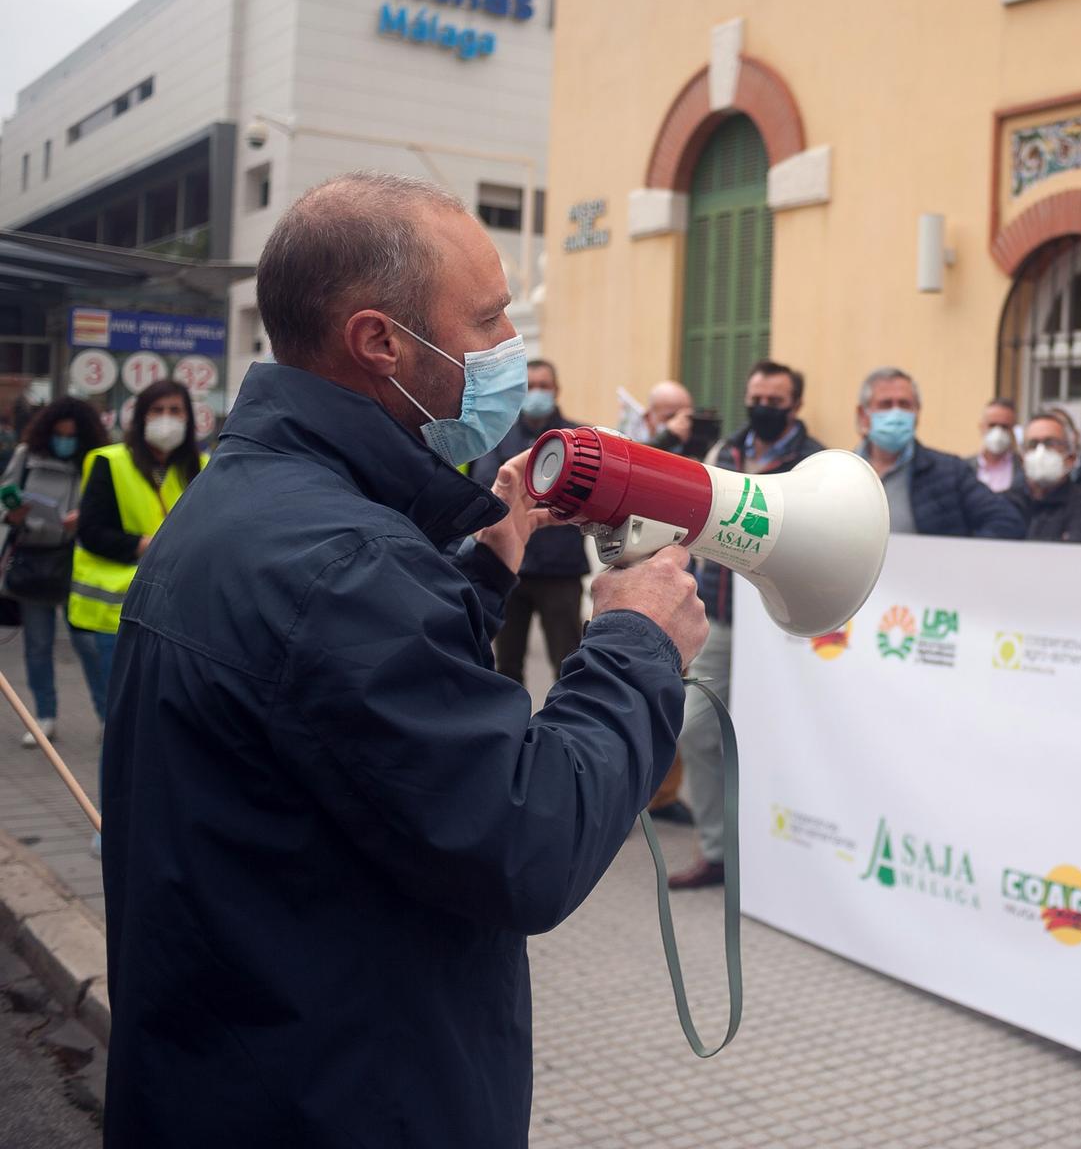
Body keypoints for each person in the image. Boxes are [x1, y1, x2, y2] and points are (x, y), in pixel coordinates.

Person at [99, 173, 707, 1145]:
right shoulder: (343, 563)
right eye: (489, 320)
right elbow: (526, 839)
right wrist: (636, 643)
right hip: (342, 1101)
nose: (510, 350)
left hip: (230, 1071)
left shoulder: (252, 502)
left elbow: (345, 717)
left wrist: (485, 562)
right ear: (381, 341)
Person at [671, 359, 823, 890]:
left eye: (774, 401)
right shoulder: (725, 453)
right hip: (724, 619)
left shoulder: (815, 464)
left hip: (781, 627)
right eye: (755, 397)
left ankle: (784, 854)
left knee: (780, 739)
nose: (761, 408)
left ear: (795, 405)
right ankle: (717, 850)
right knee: (694, 729)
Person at [69, 378, 207, 717]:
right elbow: (91, 532)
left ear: (189, 419)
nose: (166, 418)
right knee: (120, 721)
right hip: (111, 616)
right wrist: (145, 545)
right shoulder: (110, 461)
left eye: (175, 410)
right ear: (141, 416)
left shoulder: (203, 467)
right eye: (157, 410)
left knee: (158, 724)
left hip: (176, 617)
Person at [468, 359, 591, 683]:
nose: (537, 392)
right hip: (510, 570)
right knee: (505, 668)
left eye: (544, 386)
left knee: (568, 665)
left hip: (560, 570)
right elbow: (485, 484)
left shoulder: (582, 439)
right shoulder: (495, 437)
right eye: (531, 386)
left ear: (557, 390)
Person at [2, 397, 109, 744]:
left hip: (78, 562)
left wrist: (85, 519)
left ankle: (107, 714)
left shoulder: (96, 462)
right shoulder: (26, 458)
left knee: (88, 643)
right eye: (59, 434)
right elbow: (6, 497)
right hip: (35, 558)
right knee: (37, 644)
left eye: (72, 435)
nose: (65, 441)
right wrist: (13, 514)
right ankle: (44, 716)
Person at [856, 367, 1025, 538]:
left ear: (917, 413)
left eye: (905, 405)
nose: (896, 413)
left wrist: (960, 557)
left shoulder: (950, 472)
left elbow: (1007, 521)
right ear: (863, 414)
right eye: (886, 404)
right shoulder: (840, 471)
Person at [1007, 411, 1081, 543]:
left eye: (1050, 443)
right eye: (1033, 444)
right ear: (1022, 459)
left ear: (1071, 458)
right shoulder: (1006, 503)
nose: (1040, 451)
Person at [968, 396, 1023, 494]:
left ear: (1013, 429)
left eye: (1004, 426)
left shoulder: (1023, 468)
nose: (998, 432)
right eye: (992, 425)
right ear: (981, 427)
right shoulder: (965, 468)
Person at [642, 378, 699, 455]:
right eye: (671, 417)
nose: (680, 424)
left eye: (686, 418)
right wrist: (667, 437)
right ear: (648, 418)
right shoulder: (630, 441)